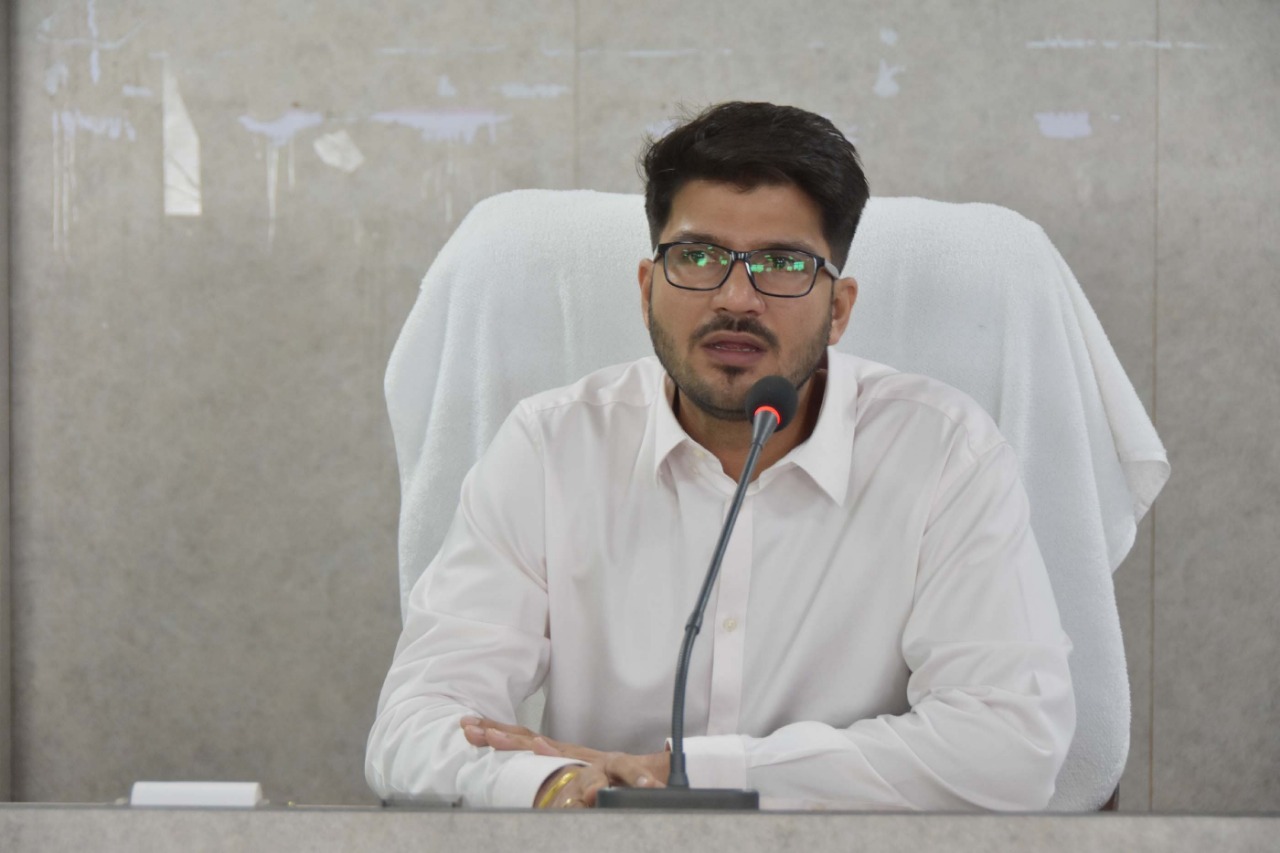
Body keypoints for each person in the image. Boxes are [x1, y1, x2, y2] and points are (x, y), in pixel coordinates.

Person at [365, 101, 1075, 811]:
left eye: (783, 263)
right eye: (698, 257)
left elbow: (1012, 746)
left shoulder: (944, 451)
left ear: (838, 308)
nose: (737, 299)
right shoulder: (550, 446)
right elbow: (413, 727)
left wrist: (676, 774)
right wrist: (560, 784)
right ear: (648, 288)